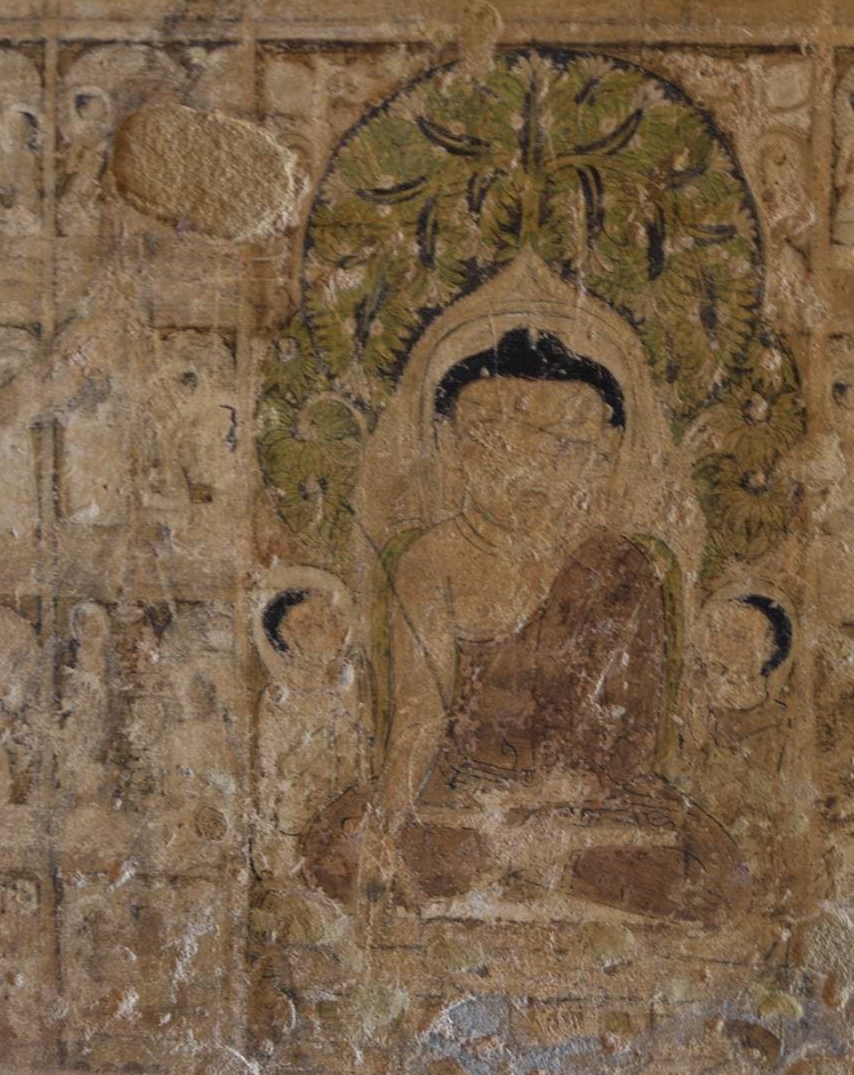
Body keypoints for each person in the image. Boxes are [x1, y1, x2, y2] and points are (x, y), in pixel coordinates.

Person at [304, 327, 746, 924]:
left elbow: (634, 732)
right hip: (461, 798)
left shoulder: (621, 566)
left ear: (607, 451)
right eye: (497, 441)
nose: (527, 467)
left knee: (710, 872)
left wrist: (552, 798)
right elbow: (418, 717)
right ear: (451, 444)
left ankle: (526, 864)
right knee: (340, 854)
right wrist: (388, 822)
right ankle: (523, 865)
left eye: (562, 446)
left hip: (589, 806)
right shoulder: (432, 561)